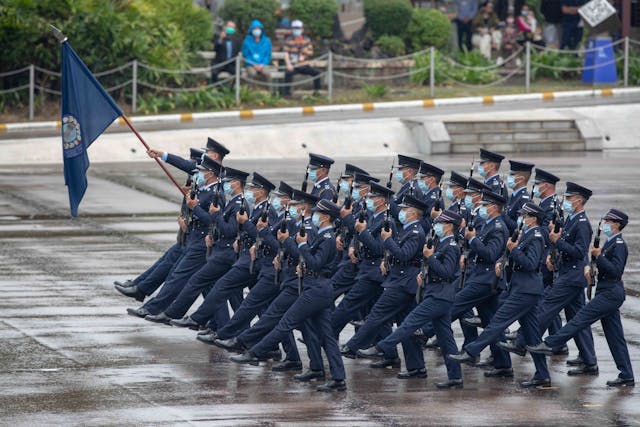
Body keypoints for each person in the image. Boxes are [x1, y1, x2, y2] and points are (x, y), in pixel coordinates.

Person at [230, 199, 347, 393]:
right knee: (326, 336)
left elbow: (315, 263)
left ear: (326, 217)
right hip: (318, 287)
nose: (315, 215)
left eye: (318, 213)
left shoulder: (327, 238)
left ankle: (254, 353)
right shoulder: (325, 235)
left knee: (286, 323)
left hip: (315, 290)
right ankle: (337, 378)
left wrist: (300, 247)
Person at [527, 209, 635, 387]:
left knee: (580, 319)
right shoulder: (610, 242)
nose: (605, 223)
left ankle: (550, 343)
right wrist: (591, 269)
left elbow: (616, 271)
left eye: (609, 221)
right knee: (615, 336)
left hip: (611, 293)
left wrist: (598, 256)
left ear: (617, 224)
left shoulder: (619, 244)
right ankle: (626, 375)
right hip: (606, 291)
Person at [358, 209, 464, 389]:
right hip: (437, 293)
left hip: (439, 296)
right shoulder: (441, 242)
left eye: (441, 223)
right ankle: (455, 378)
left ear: (450, 227)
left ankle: (381, 347)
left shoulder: (451, 246)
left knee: (409, 324)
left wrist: (430, 259)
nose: (437, 225)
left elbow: (447, 272)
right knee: (446, 339)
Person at [450, 202, 551, 388]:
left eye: (525, 215)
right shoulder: (526, 234)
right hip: (523, 288)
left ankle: (472, 351)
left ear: (533, 218)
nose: (521, 218)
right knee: (533, 335)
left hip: (526, 290)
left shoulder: (536, 235)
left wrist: (514, 249)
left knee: (497, 322)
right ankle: (542, 374)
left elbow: (530, 263)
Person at [341, 195, 426, 380]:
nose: (400, 212)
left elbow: (405, 255)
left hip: (403, 284)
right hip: (402, 281)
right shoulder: (408, 229)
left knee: (377, 314)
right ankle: (416, 367)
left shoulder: (415, 232)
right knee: (406, 326)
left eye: (404, 209)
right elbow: (401, 255)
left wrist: (387, 240)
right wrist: (387, 261)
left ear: (412, 213)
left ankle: (352, 346)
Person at [282, 20, 321, 97]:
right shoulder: (289, 40)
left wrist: (305, 51)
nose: (297, 30)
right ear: (292, 29)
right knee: (288, 74)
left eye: (298, 28)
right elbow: (286, 53)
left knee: (317, 73)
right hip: (293, 65)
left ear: (302, 29)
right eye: (295, 28)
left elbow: (311, 53)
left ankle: (316, 91)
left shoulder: (306, 39)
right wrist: (288, 64)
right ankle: (287, 93)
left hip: (304, 64)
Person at [502, 160, 533, 234]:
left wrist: (502, 214)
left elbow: (520, 226)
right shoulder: (512, 196)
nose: (509, 177)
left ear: (521, 179)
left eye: (512, 175)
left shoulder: (524, 199)